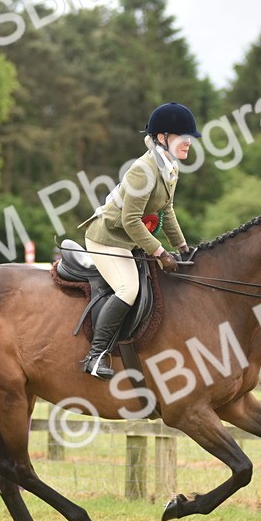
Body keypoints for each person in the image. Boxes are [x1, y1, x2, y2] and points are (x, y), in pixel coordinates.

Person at [77, 102, 200, 380]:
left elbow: (166, 210)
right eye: (183, 137)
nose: (188, 143)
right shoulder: (142, 170)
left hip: (128, 241)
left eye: (190, 138)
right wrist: (159, 252)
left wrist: (182, 247)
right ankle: (95, 356)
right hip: (107, 239)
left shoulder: (169, 167)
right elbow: (132, 220)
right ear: (162, 138)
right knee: (128, 289)